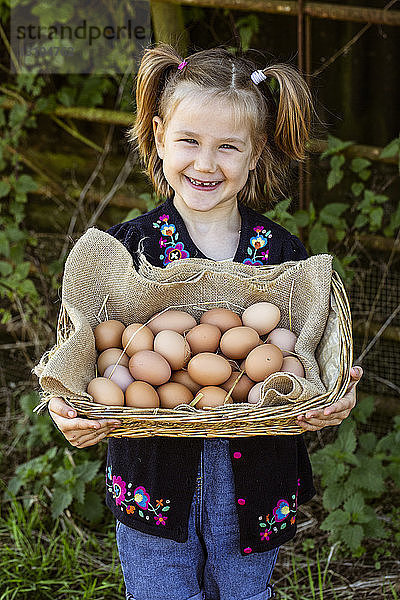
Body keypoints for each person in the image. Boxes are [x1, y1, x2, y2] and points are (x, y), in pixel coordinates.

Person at [48, 43, 363, 600]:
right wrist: (68, 407)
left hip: (254, 483)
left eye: (227, 147)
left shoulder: (283, 257)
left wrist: (328, 396)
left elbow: (301, 353)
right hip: (151, 481)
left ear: (256, 152)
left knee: (243, 592)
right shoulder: (128, 251)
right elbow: (88, 348)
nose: (205, 163)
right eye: (189, 140)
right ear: (159, 133)